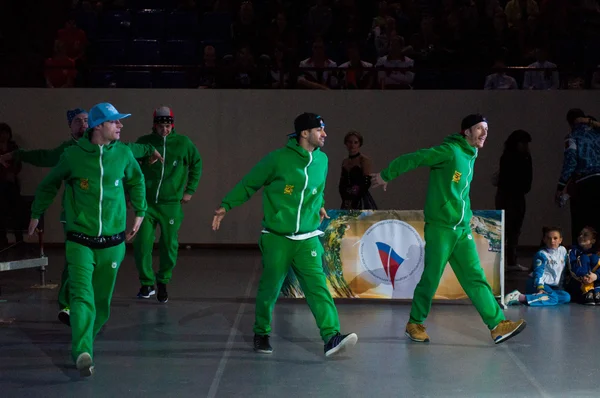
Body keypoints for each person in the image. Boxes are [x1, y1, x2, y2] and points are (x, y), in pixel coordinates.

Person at [370, 114, 526, 344]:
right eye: (479, 128)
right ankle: (415, 323)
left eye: (486, 129)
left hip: (460, 230)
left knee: (475, 277)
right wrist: (386, 174)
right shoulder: (450, 151)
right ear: (466, 132)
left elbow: (460, 194)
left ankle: (497, 325)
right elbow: (416, 158)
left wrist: (467, 217)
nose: (485, 133)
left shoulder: (470, 155)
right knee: (431, 278)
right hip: (441, 228)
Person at [212, 112, 358, 357]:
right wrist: (226, 205)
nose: (325, 134)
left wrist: (320, 203)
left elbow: (317, 189)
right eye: (319, 129)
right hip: (277, 237)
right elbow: (250, 183)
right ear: (304, 133)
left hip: (307, 238)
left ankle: (331, 336)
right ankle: (261, 332)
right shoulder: (278, 159)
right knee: (270, 289)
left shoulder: (322, 160)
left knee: (318, 288)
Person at [0, 108, 162, 326]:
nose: (83, 125)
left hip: (106, 223)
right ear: (70, 126)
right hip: (75, 218)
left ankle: (89, 308)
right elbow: (42, 157)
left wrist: (151, 149)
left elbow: (133, 149)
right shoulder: (69, 151)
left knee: (98, 270)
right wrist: (16, 155)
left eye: (86, 120)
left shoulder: (114, 147)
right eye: (78, 121)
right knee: (74, 263)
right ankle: (68, 304)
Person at [28, 102, 147, 377]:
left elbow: (137, 181)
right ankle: (82, 351)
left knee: (101, 303)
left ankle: (86, 340)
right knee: (82, 297)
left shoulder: (124, 154)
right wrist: (36, 213)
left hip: (113, 244)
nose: (120, 125)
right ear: (97, 127)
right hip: (80, 240)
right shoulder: (73, 156)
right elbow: (49, 184)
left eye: (119, 121)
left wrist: (140, 210)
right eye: (114, 122)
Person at [133, 107, 202, 303]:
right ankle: (146, 283)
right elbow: (131, 167)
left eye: (168, 126)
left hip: (171, 203)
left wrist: (189, 190)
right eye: (161, 126)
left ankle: (163, 280)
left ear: (173, 125)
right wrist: (131, 194)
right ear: (154, 125)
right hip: (146, 203)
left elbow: (197, 163)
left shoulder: (183, 143)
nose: (165, 130)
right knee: (142, 244)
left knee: (169, 244)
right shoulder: (144, 142)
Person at [556, 108, 600, 244]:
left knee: (581, 223)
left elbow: (571, 162)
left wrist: (561, 186)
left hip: (584, 184)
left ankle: (580, 258)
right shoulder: (597, 134)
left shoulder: (572, 137)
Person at [494, 129, 532, 272]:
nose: (526, 146)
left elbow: (528, 180)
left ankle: (511, 261)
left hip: (517, 196)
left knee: (515, 230)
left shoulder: (526, 157)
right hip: (507, 196)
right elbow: (506, 179)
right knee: (505, 229)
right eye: (523, 143)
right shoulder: (509, 157)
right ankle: (502, 262)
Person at [504, 226, 571, 306]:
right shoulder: (542, 254)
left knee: (566, 297)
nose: (552, 241)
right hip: (537, 284)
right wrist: (540, 287)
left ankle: (537, 298)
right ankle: (519, 297)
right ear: (544, 240)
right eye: (549, 238)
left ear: (560, 240)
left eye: (555, 238)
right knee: (553, 299)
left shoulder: (563, 251)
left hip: (552, 287)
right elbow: (538, 273)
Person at [338, 131, 377, 210]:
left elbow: (366, 182)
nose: (352, 145)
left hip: (360, 198)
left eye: (355, 142)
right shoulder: (345, 161)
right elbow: (342, 182)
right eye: (350, 142)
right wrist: (345, 196)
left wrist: (354, 196)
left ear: (359, 144)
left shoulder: (363, 160)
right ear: (346, 143)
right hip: (346, 199)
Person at [0, 123, 23, 247]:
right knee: (1, 212)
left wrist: (12, 173)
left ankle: (19, 239)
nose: (4, 135)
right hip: (0, 183)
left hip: (12, 183)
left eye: (6, 133)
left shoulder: (13, 147)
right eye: (2, 133)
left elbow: (18, 162)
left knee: (16, 210)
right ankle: (3, 240)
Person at [564, 226, 600, 305]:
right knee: (584, 258)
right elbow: (572, 268)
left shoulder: (597, 253)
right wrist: (584, 276)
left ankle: (597, 293)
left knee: (595, 258)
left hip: (595, 283)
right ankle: (587, 292)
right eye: (580, 234)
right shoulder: (573, 251)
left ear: (593, 240)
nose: (581, 236)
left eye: (585, 235)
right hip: (578, 283)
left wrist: (596, 276)